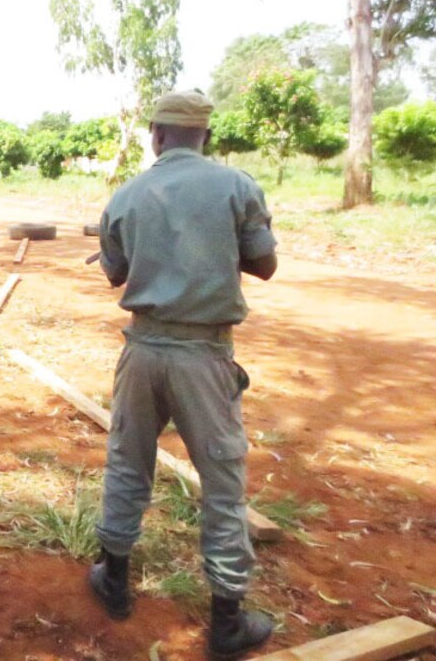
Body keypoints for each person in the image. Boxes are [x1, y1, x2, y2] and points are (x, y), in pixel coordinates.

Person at [89, 91, 278, 661]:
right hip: (204, 355)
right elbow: (264, 264)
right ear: (206, 136)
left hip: (143, 349)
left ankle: (114, 580)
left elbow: (115, 273)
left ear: (156, 135)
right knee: (222, 483)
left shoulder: (127, 194)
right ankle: (226, 621)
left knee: (128, 461)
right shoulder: (238, 186)